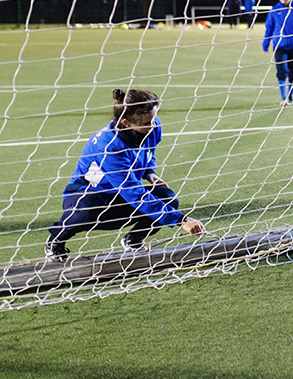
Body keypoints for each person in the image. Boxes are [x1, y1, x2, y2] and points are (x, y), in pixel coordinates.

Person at [46, 89, 204, 260]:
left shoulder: (152, 126)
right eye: (147, 122)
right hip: (90, 194)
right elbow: (133, 192)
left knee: (168, 198)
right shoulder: (109, 146)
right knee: (85, 211)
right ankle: (56, 241)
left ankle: (133, 240)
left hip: (121, 193)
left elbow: (150, 152)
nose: (153, 125)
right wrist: (181, 220)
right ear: (126, 123)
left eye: (153, 118)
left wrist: (149, 172)